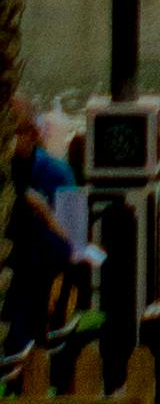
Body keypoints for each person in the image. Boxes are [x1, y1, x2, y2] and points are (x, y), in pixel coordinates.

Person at [5, 98, 90, 348]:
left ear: (31, 134)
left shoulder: (58, 172)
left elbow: (77, 246)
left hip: (36, 275)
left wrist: (42, 214)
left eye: (10, 133)